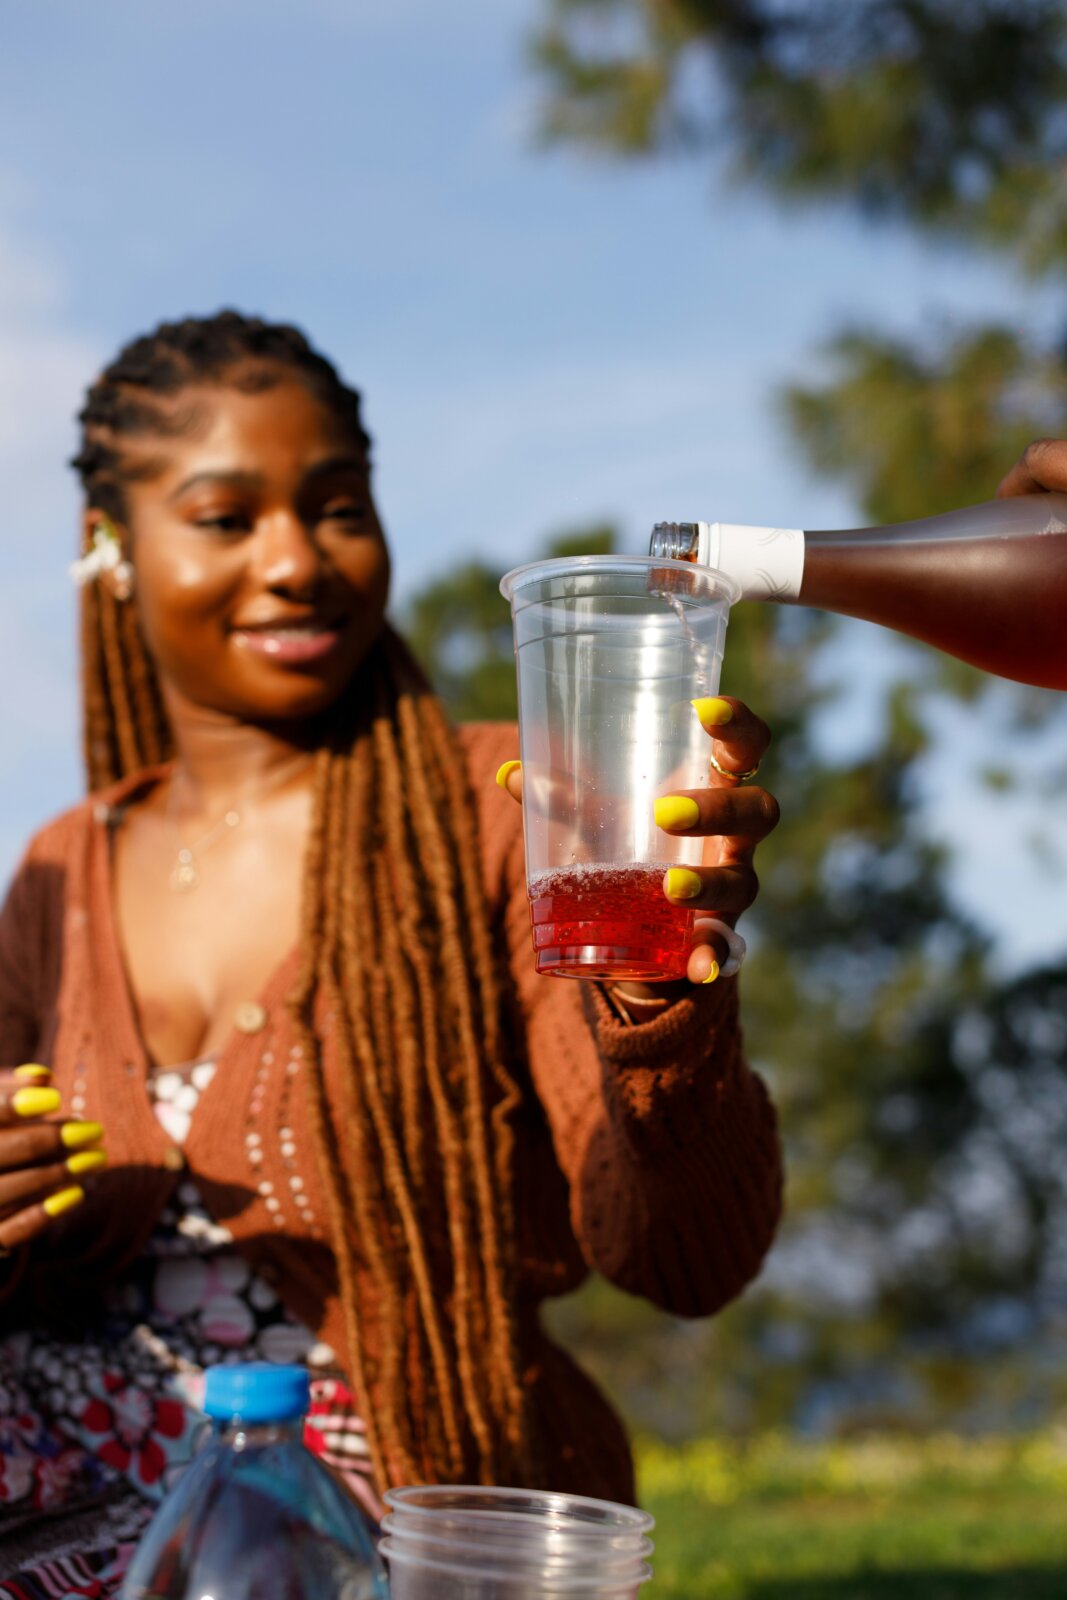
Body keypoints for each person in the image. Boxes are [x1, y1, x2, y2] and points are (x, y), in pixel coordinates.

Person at [0, 312, 783, 1594]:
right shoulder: (56, 871)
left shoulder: (504, 808)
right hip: (53, 1464)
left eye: (337, 505)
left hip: (376, 1497)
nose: (297, 559)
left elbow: (681, 1259)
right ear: (113, 549)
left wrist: (661, 1003)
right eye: (224, 516)